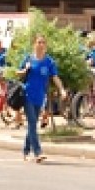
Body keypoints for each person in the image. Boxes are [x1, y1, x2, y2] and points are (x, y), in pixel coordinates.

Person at [17, 34, 65, 163]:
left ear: (46, 45)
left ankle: (25, 151)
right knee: (32, 123)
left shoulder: (49, 61)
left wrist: (62, 89)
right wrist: (25, 70)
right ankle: (38, 152)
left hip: (40, 97)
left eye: (43, 42)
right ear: (34, 44)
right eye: (39, 42)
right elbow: (18, 72)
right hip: (27, 95)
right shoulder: (28, 58)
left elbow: (55, 77)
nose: (41, 45)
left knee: (32, 125)